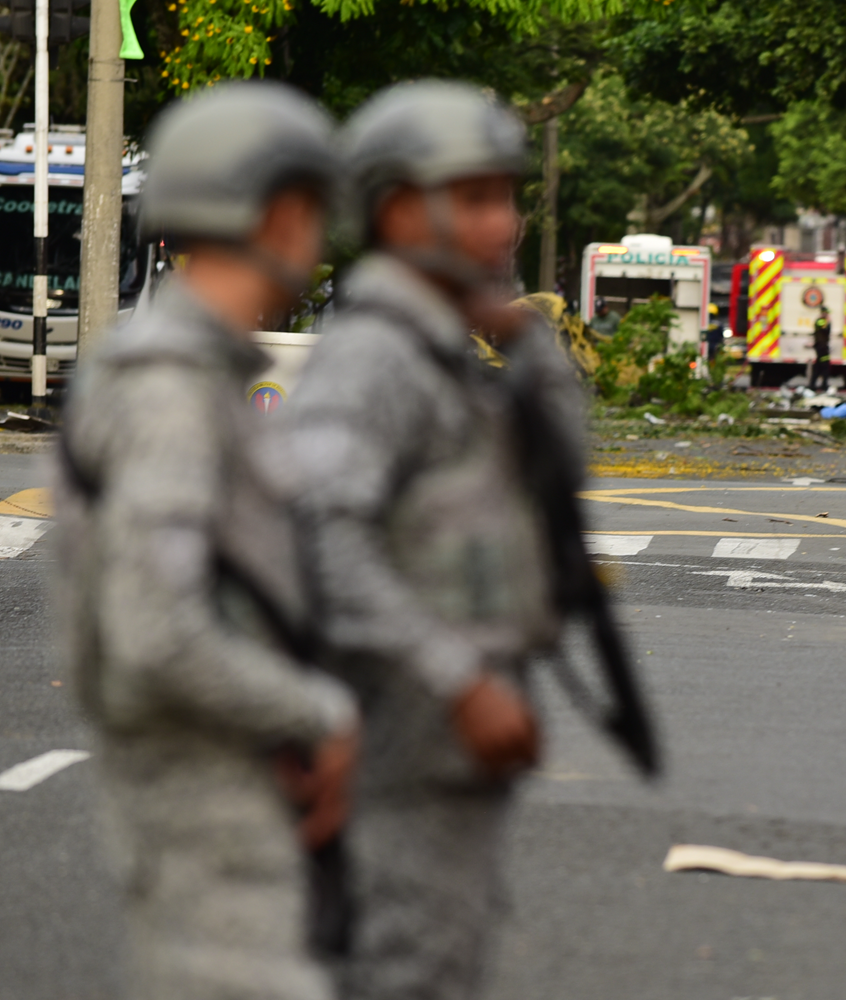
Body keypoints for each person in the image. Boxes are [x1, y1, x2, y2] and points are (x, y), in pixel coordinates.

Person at [53, 83, 358, 1000]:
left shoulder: (188, 372)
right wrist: (317, 713)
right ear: (274, 213)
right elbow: (157, 631)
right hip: (205, 801)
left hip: (228, 786)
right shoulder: (170, 391)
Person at [283, 80, 565, 1000]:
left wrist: (525, 343)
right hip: (395, 748)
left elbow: (559, 472)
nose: (507, 224)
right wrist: (462, 683)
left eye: (509, 198)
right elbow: (324, 537)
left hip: (444, 752)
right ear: (401, 208)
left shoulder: (439, 346)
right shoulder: (374, 358)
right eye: (477, 199)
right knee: (403, 970)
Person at [810, 304, 832, 391]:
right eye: (826, 313)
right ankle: (822, 385)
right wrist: (828, 321)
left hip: (822, 347)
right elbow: (825, 329)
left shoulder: (822, 321)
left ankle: (816, 385)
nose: (827, 315)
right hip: (821, 347)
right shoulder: (821, 321)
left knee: (820, 367)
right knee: (824, 367)